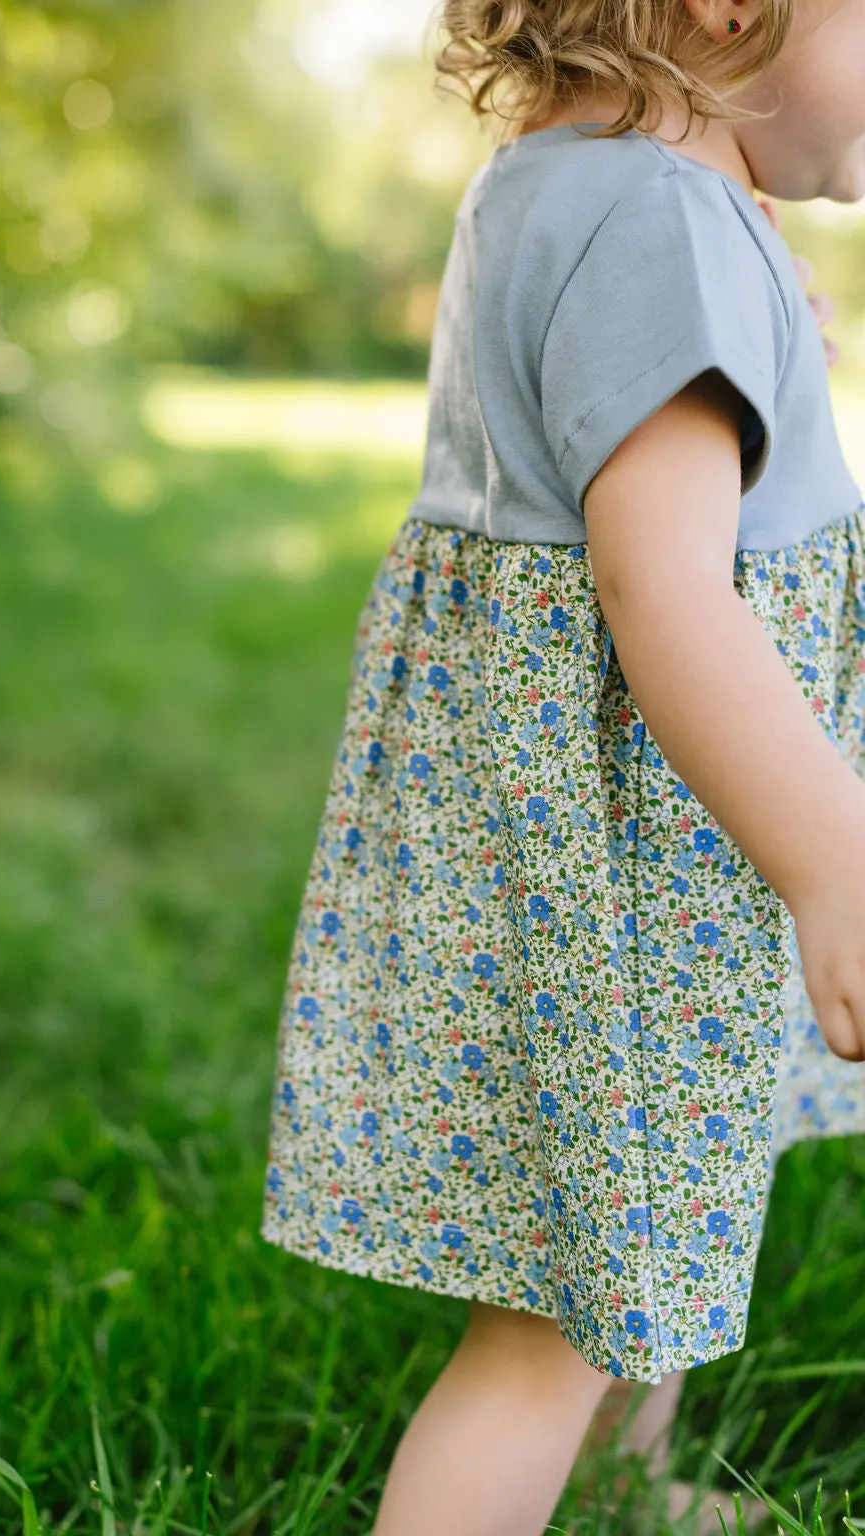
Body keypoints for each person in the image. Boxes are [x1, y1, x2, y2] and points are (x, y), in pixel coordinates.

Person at [259, 0, 865, 1526]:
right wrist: (834, 857)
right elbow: (660, 584)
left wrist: (748, 290)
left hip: (571, 831)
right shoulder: (664, 222)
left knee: (634, 1209)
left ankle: (623, 1480)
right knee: (541, 1331)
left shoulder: (565, 180)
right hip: (641, 846)